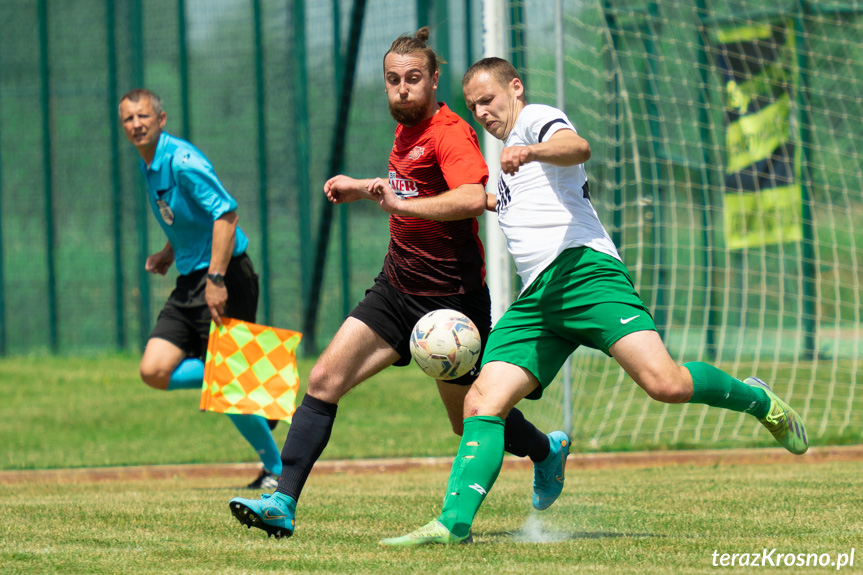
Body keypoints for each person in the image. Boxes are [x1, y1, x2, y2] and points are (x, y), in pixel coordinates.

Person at [380, 57, 810, 546]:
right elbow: (482, 201)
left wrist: (533, 151)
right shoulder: (505, 171)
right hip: (537, 299)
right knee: (482, 400)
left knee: (664, 383)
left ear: (515, 88)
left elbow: (576, 146)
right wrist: (383, 195)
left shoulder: (536, 120)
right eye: (474, 105)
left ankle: (760, 401)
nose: (482, 112)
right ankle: (453, 524)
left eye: (489, 99)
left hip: (585, 273)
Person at [228, 29, 567, 540]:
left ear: (433, 80)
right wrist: (365, 189)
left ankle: (545, 450)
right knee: (323, 381)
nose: (402, 89)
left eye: (413, 79)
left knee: (468, 419)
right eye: (393, 80)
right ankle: (282, 501)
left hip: (450, 305)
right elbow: (405, 189)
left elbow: (472, 197)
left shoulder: (450, 132)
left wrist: (395, 204)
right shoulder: (406, 130)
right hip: (395, 288)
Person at [119, 88, 283, 490]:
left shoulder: (182, 161)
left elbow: (225, 213)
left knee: (228, 382)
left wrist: (216, 279)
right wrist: (168, 251)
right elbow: (189, 218)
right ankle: (254, 374)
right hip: (190, 278)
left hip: (224, 276)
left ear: (162, 119)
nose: (136, 124)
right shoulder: (149, 164)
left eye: (143, 116)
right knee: (154, 370)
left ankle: (277, 470)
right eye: (128, 119)